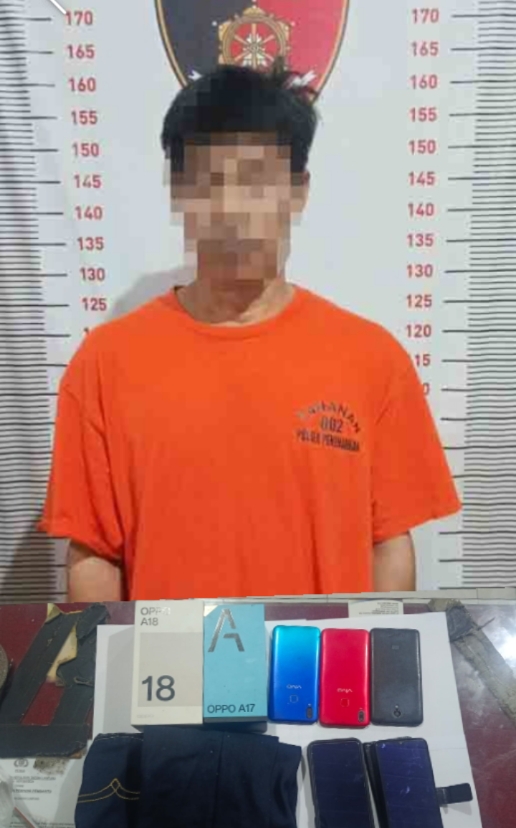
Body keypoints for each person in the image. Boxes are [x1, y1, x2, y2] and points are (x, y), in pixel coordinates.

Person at [39, 63, 461, 602]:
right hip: (169, 658)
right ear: (179, 193)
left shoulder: (372, 359)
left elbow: (389, 545)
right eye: (210, 182)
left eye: (256, 180)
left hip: (317, 656)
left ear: (298, 191)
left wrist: (378, 646)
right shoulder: (105, 363)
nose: (233, 209)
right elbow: (95, 554)